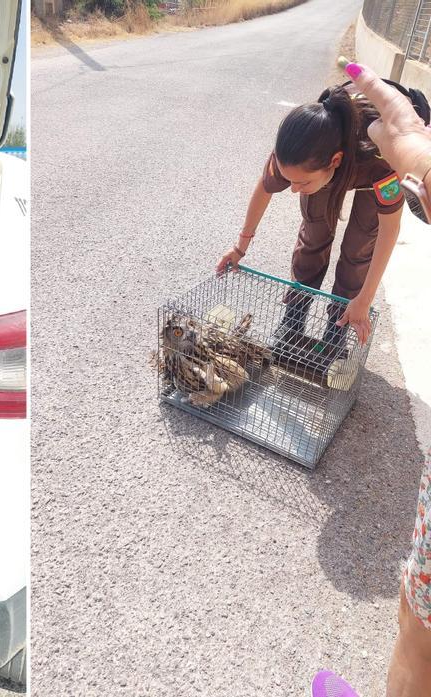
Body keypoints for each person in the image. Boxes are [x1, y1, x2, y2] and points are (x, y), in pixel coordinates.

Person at [309, 61, 431, 697]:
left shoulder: (385, 172)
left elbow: (385, 228)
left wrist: (412, 156)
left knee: (422, 614)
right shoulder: (314, 144)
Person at [216, 83, 405, 349]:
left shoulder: (382, 161)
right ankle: (293, 316)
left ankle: (337, 328)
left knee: (359, 243)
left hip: (374, 157)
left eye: (301, 183)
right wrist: (239, 248)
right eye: (289, 180)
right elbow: (265, 188)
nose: (293, 190)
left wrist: (365, 298)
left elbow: (389, 230)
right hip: (330, 162)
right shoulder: (299, 150)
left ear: (335, 161)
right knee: (314, 232)